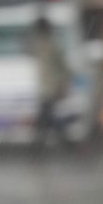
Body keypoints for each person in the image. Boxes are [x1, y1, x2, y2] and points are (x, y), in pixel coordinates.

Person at [32, 16, 72, 147]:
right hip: (45, 86)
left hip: (51, 86)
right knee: (47, 115)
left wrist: (62, 83)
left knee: (45, 115)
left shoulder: (53, 45)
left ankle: (41, 142)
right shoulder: (39, 44)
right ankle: (61, 136)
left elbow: (63, 67)